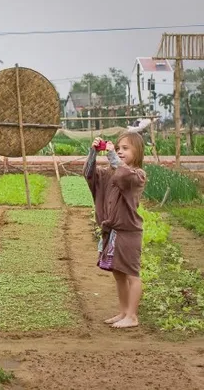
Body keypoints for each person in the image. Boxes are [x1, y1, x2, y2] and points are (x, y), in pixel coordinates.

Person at [83, 132, 147, 329]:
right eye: (118, 148)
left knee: (131, 274)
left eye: (125, 148)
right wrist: (93, 153)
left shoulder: (137, 175)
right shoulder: (109, 172)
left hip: (128, 233)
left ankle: (133, 316)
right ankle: (123, 312)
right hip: (113, 233)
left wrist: (111, 156)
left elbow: (124, 175)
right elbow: (89, 175)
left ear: (138, 152)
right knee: (118, 274)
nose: (120, 151)